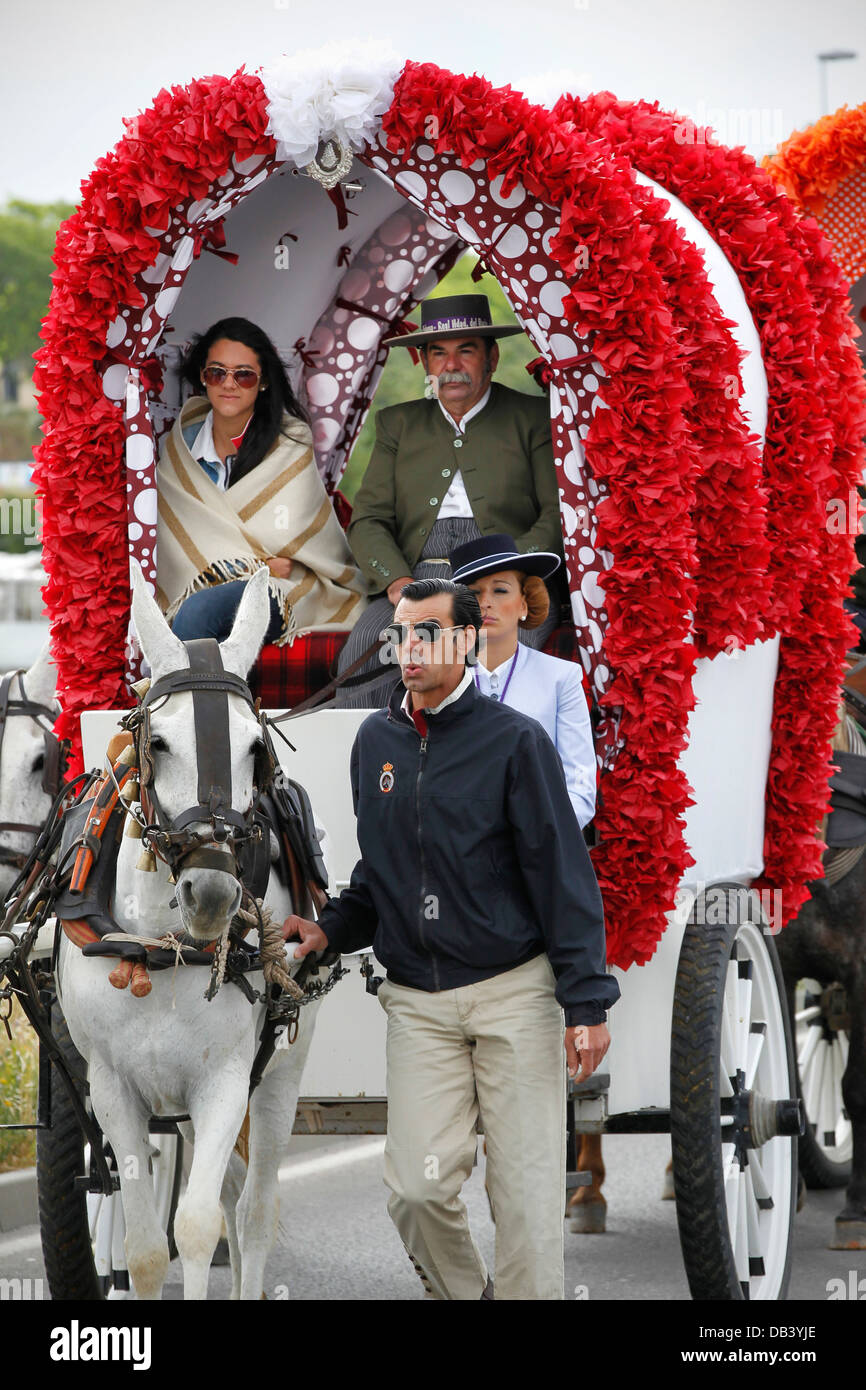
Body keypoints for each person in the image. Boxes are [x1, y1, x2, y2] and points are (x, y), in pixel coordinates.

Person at [284, 578, 620, 1300]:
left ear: (467, 640)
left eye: (428, 633)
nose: (410, 649)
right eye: (401, 634)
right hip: (418, 1006)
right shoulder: (376, 740)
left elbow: (561, 873)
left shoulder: (515, 742)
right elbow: (379, 874)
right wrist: (329, 930)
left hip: (513, 998)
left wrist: (587, 1003)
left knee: (527, 1204)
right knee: (416, 1193)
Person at [334, 293, 562, 706]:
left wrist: (507, 574)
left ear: (491, 358)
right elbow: (368, 521)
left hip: (503, 580)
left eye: (466, 351)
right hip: (417, 582)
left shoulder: (531, 417)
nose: (451, 366)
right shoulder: (398, 423)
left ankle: (495, 766)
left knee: (500, 655)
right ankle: (372, 766)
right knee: (367, 649)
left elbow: (556, 516)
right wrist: (398, 583)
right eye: (438, 353)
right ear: (424, 362)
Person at [156, 316, 367, 645]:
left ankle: (192, 692)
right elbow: (173, 541)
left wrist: (249, 569)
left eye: (243, 375)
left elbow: (289, 551)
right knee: (189, 609)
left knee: (200, 612)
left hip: (285, 588)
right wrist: (251, 564)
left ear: (263, 381)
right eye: (217, 373)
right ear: (202, 377)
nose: (229, 384)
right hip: (195, 581)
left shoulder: (291, 441)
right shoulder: (178, 444)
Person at [450, 533, 597, 828]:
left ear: (524, 605)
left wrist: (535, 836)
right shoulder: (439, 678)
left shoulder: (561, 678)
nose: (486, 603)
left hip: (537, 849)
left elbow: (580, 787)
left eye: (500, 590)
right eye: (474, 593)